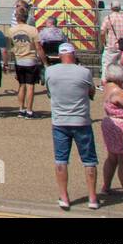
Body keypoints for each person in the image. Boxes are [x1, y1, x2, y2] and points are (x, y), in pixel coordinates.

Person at [46, 42, 99, 211]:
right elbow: (91, 93)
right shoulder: (84, 72)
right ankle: (92, 198)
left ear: (60, 55)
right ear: (73, 54)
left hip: (60, 121)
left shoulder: (50, 71)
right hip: (81, 121)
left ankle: (64, 197)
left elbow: (49, 92)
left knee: (61, 160)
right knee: (89, 161)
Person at [99, 63, 123, 203]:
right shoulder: (119, 92)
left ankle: (106, 186)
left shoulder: (107, 87)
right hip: (120, 125)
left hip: (109, 122)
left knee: (112, 158)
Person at [9, 10, 45, 119]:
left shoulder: (11, 30)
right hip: (30, 59)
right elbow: (38, 47)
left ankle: (21, 109)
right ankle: (29, 111)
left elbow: (11, 46)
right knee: (30, 86)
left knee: (21, 85)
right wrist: (44, 61)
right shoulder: (32, 30)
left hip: (19, 59)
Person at [100, 1, 123, 81]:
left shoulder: (108, 18)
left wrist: (104, 42)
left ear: (111, 7)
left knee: (107, 65)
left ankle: (105, 82)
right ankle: (122, 82)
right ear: (120, 8)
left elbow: (102, 32)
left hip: (111, 45)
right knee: (121, 66)